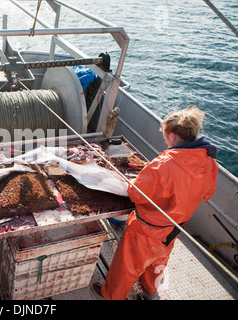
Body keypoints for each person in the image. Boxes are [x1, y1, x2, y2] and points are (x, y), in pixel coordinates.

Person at [92, 106, 219, 300]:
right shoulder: (210, 163)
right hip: (175, 226)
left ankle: (111, 294)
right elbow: (207, 193)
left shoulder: (164, 164)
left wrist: (133, 181)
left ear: (173, 136)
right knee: (159, 261)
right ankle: (150, 291)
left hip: (148, 228)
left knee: (128, 265)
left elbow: (135, 194)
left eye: (166, 135)